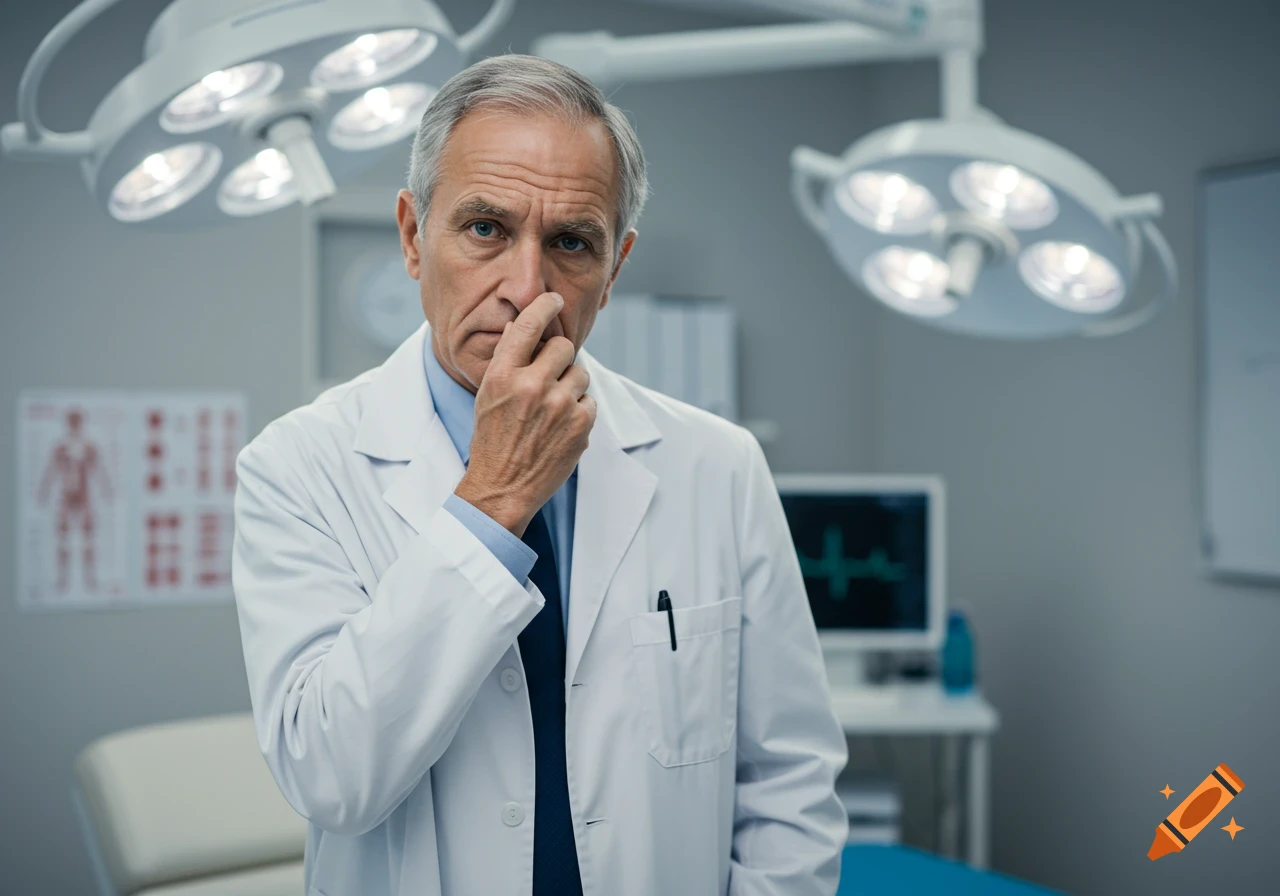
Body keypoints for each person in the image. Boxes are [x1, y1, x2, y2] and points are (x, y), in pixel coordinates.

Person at [232, 54, 847, 896]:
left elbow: (790, 784)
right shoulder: (297, 466)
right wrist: (494, 499)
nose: (527, 288)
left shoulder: (718, 464)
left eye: (570, 243)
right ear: (414, 237)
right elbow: (331, 776)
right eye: (485, 228)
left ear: (615, 266)